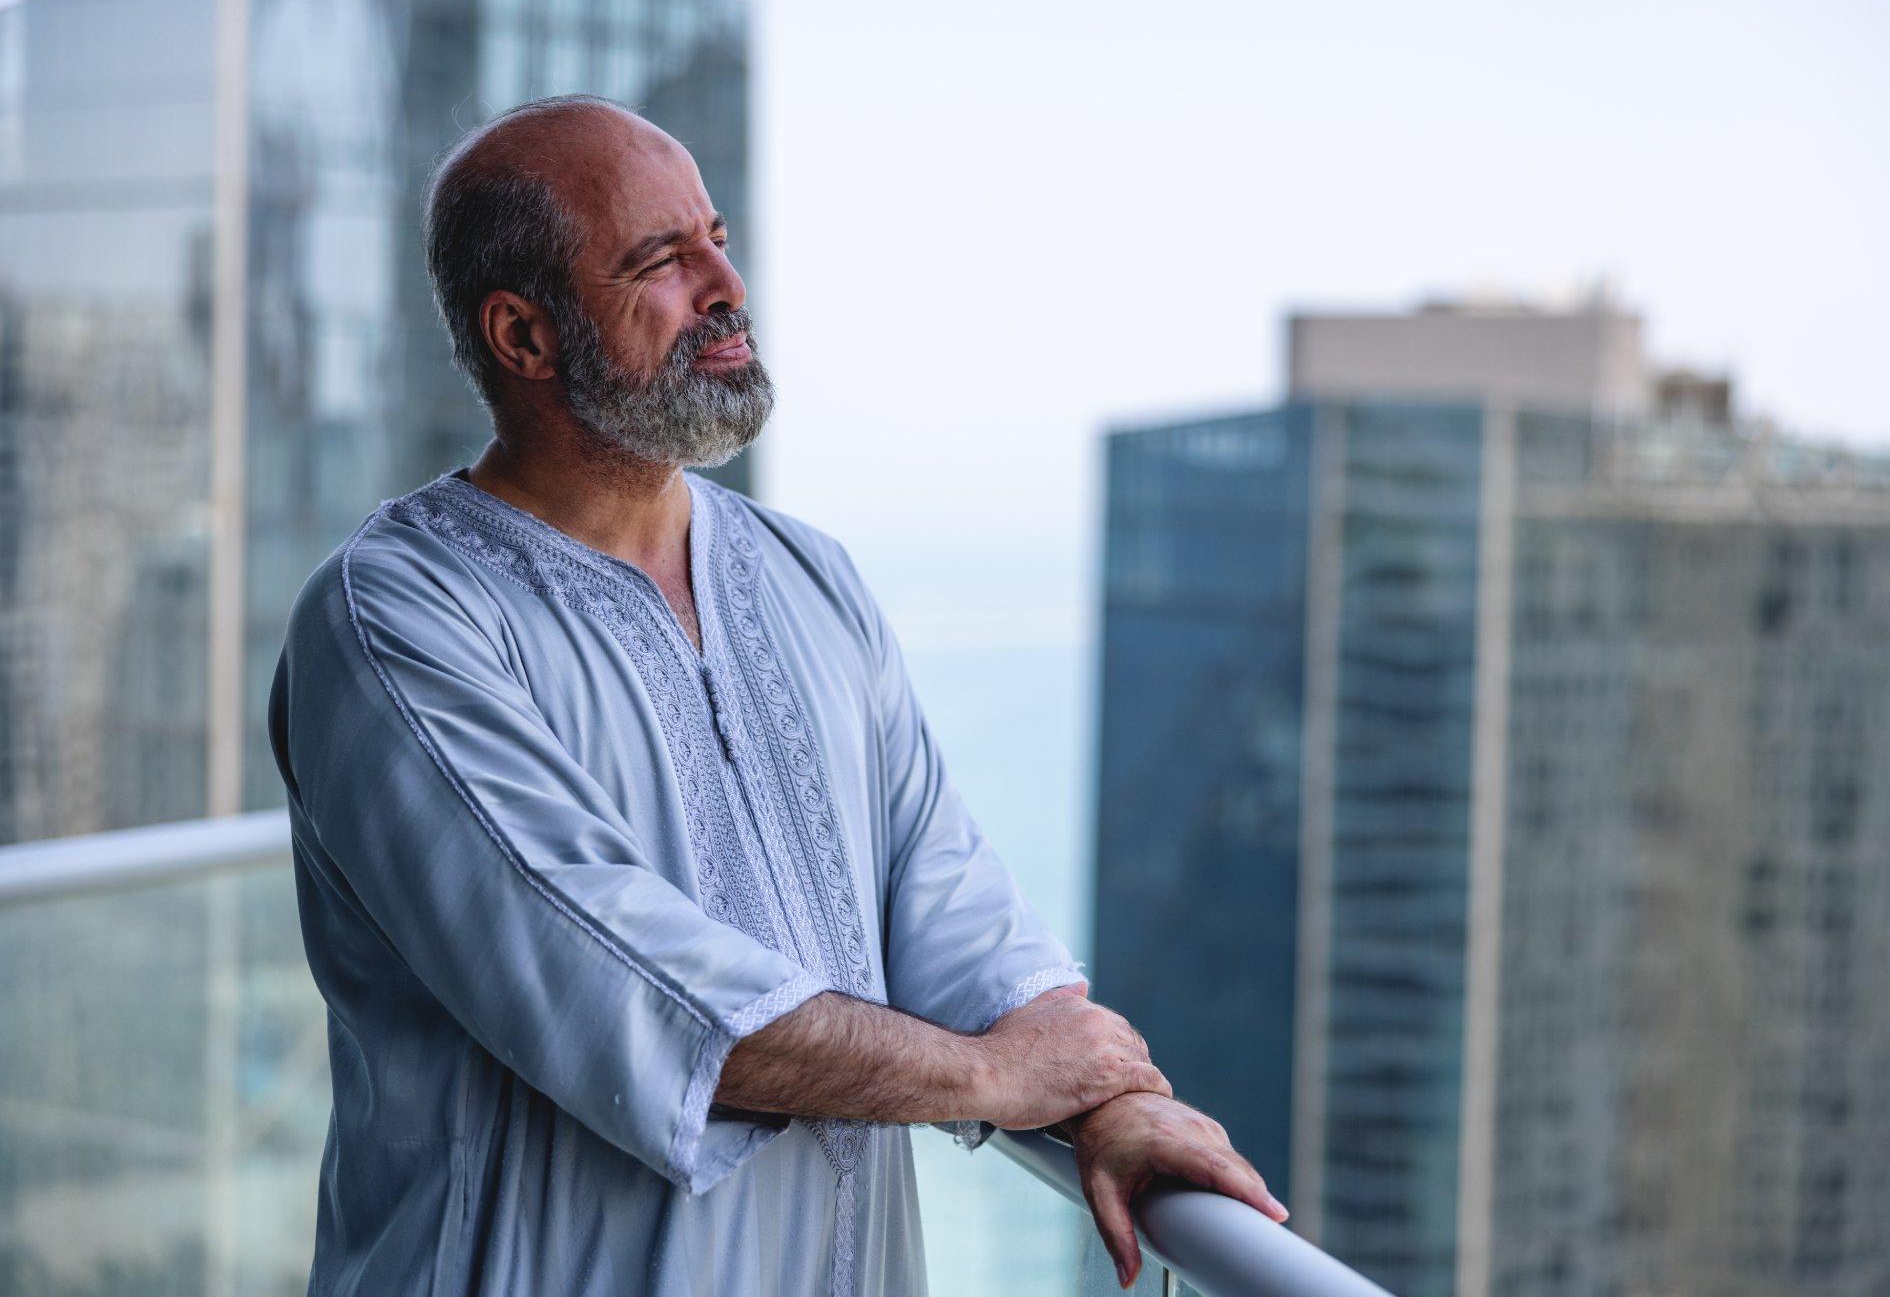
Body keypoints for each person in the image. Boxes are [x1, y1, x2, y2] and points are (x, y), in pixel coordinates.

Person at [267, 93, 1283, 1297]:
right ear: (523, 336)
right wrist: (993, 1080)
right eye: (659, 259)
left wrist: (1107, 1098)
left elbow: (946, 894)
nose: (723, 285)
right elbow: (622, 986)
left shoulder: (808, 574)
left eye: (717, 238)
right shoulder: (395, 619)